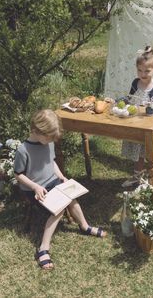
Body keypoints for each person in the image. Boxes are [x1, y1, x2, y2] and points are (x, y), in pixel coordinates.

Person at [14, 109, 107, 270]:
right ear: (37, 131)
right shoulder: (23, 150)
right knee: (58, 209)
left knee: (72, 198)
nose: (51, 140)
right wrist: (35, 186)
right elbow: (18, 175)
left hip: (53, 182)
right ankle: (43, 247)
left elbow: (52, 162)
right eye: (49, 137)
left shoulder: (47, 143)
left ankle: (84, 226)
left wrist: (62, 177)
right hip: (35, 189)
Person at [121, 46, 153, 187]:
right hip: (137, 125)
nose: (143, 74)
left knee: (148, 154)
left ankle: (151, 181)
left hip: (151, 127)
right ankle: (137, 176)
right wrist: (121, 101)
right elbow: (130, 98)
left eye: (147, 71)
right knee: (137, 152)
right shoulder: (135, 83)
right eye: (140, 70)